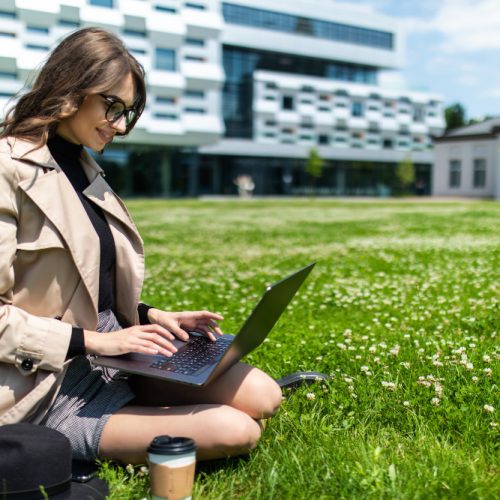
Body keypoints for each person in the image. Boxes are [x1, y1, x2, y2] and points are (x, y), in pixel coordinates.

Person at [0, 27, 282, 465]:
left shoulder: (84, 166)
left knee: (264, 395)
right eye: (112, 106)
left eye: (127, 113)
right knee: (236, 429)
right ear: (71, 89)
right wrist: (94, 343)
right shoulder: (8, 169)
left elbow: (90, 284)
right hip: (47, 382)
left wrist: (152, 316)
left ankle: (146, 402)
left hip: (120, 353)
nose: (119, 126)